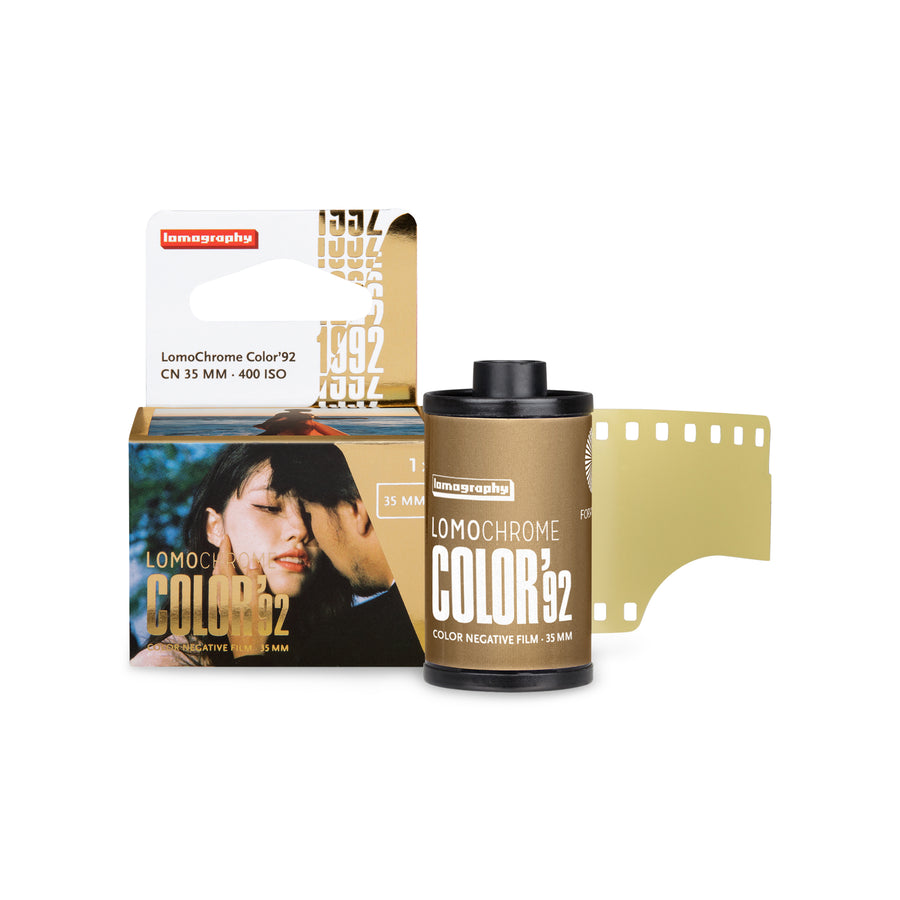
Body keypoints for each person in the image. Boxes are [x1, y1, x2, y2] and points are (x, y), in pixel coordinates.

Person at [131, 444, 351, 666]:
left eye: (311, 513)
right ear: (215, 527)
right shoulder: (164, 665)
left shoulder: (347, 646)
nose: (301, 529)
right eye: (269, 507)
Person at [285, 444, 425, 666]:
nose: (308, 536)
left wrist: (247, 657)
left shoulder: (340, 646)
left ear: (357, 510)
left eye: (309, 515)